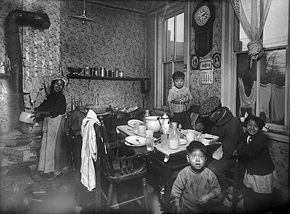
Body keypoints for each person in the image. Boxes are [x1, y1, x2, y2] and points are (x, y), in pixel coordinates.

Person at [234, 116, 280, 213]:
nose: (252, 128)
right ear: (246, 126)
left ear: (259, 128)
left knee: (263, 192)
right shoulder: (246, 134)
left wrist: (239, 152)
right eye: (249, 125)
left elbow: (252, 151)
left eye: (255, 126)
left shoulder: (261, 138)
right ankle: (251, 205)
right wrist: (237, 148)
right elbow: (241, 141)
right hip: (252, 166)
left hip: (262, 169)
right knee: (251, 189)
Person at [198, 96, 243, 190]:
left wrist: (208, 153)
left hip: (232, 157)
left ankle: (224, 189)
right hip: (216, 151)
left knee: (213, 168)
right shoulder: (214, 118)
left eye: (209, 116)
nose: (207, 119)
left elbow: (227, 152)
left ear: (218, 111)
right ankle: (206, 188)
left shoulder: (233, 125)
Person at [32, 76, 68, 179]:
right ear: (52, 85)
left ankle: (56, 171)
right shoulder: (50, 96)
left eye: (61, 85)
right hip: (49, 122)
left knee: (54, 147)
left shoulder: (61, 97)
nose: (58, 86)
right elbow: (44, 106)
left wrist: (41, 113)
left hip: (57, 122)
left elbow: (55, 112)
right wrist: (36, 110)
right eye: (56, 84)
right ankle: (47, 170)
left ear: (63, 87)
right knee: (47, 146)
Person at [171, 141, 222, 213]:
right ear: (188, 158)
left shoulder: (209, 174)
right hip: (186, 210)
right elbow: (176, 191)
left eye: (201, 156)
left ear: (205, 159)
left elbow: (217, 190)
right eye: (194, 156)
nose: (197, 159)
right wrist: (177, 206)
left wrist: (209, 196)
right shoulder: (184, 173)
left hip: (205, 210)